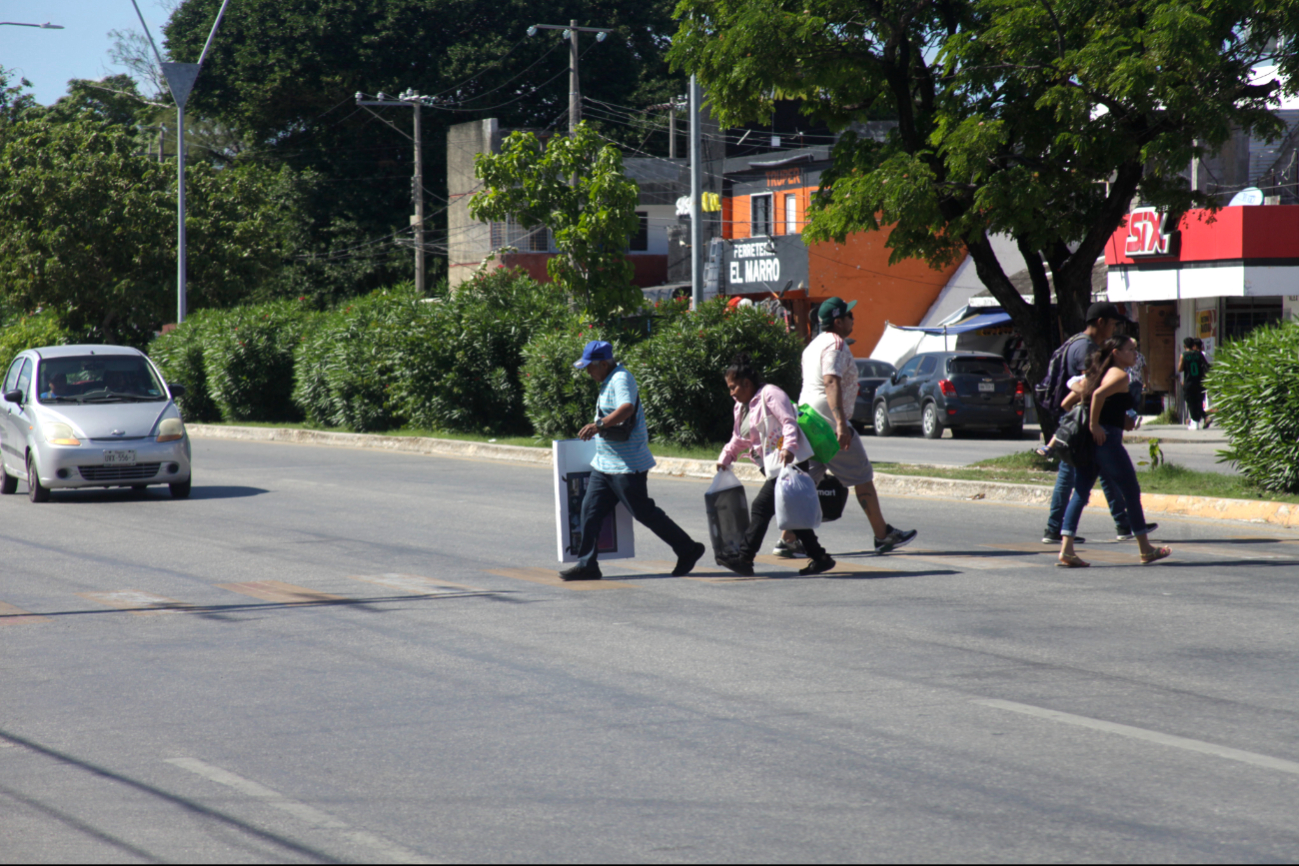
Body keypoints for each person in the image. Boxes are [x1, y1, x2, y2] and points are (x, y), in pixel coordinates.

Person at [559, 340, 706, 582]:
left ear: (603, 364)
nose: (587, 372)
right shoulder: (608, 380)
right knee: (589, 511)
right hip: (604, 463)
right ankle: (588, 565)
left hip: (627, 465)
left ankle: (688, 548)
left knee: (644, 512)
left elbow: (626, 408)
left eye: (589, 367)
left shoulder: (621, 379)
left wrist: (598, 425)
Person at [799, 297, 917, 555]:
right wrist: (841, 423)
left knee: (809, 481)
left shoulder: (813, 345)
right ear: (838, 321)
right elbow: (831, 381)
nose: (854, 319)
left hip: (808, 419)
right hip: (829, 423)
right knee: (862, 476)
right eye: (849, 315)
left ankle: (789, 539)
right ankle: (883, 535)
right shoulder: (835, 343)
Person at [1042, 302, 1155, 544]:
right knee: (1075, 480)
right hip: (1092, 429)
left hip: (1089, 426)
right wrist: (1095, 422)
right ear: (1101, 322)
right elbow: (1092, 390)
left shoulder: (1079, 343)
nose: (1114, 329)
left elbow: (1078, 395)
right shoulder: (1088, 350)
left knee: (1088, 485)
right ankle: (1055, 529)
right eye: (1113, 324)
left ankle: (1117, 526)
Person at [715, 353, 836, 576]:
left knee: (761, 507)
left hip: (792, 460)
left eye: (733, 387)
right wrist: (726, 457)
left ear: (747, 383)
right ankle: (820, 557)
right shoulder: (740, 407)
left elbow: (788, 420)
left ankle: (745, 558)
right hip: (773, 464)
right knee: (792, 509)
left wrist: (788, 447)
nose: (731, 392)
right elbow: (740, 437)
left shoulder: (770, 394)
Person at [1056, 336, 1172, 567]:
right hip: (1106, 440)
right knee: (1130, 490)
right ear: (1116, 352)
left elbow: (1068, 404)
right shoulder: (1120, 375)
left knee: (1080, 492)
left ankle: (1066, 550)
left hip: (1094, 440)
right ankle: (1145, 549)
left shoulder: (1096, 375)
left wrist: (1111, 421)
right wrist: (1095, 425)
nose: (1135, 354)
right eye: (1130, 350)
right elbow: (1098, 397)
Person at [1178, 336, 1210, 430]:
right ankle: (1203, 417)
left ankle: (1195, 422)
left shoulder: (1184, 355)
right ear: (1193, 345)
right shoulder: (1199, 354)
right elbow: (1206, 366)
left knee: (1191, 402)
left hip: (1189, 382)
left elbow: (1180, 369)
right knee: (1199, 401)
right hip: (1199, 382)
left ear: (1184, 346)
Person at [1128, 344, 1148, 413]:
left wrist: (1146, 382)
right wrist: (1145, 382)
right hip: (1137, 381)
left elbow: (1145, 370)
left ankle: (1132, 417)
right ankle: (1133, 416)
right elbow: (1145, 370)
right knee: (1135, 401)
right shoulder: (1141, 356)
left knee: (1132, 401)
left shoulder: (1127, 355)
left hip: (1130, 381)